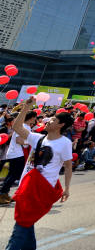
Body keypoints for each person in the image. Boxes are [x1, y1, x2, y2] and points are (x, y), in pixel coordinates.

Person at [6, 96, 74, 250]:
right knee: (25, 222)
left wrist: (67, 188)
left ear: (61, 125)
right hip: (27, 185)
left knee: (21, 224)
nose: (48, 120)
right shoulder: (37, 138)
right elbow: (17, 128)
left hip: (42, 189)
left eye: (53, 120)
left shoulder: (65, 143)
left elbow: (68, 166)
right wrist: (26, 107)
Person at [0, 111, 37, 204]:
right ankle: (2, 193)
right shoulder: (24, 127)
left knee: (13, 175)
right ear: (32, 118)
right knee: (14, 175)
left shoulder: (26, 126)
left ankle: (4, 194)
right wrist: (31, 142)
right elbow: (18, 140)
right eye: (35, 117)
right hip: (16, 154)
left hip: (16, 153)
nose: (36, 120)